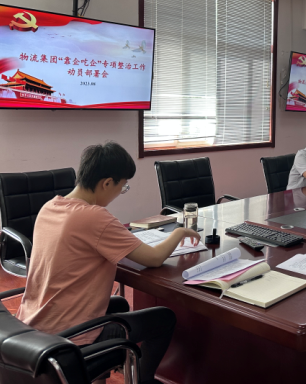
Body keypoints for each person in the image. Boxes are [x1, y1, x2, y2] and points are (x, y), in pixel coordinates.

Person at [17, 142, 202, 384]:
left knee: (119, 305)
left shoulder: (50, 207)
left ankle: (99, 375)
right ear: (106, 183)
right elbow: (154, 258)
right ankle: (143, 381)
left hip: (32, 328)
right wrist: (179, 232)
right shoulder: (95, 217)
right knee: (164, 319)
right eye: (122, 186)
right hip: (69, 339)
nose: (120, 192)